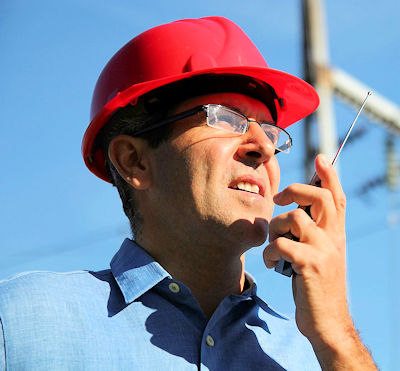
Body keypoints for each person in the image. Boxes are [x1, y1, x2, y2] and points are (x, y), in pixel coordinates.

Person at [0, 16, 376, 370]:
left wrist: (338, 338)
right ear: (134, 161)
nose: (262, 146)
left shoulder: (316, 358)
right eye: (225, 117)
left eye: (270, 131)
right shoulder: (20, 322)